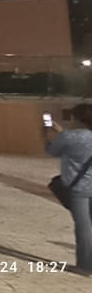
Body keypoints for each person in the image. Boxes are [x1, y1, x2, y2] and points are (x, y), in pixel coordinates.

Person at [44, 103, 92, 272]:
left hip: (78, 187)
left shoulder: (70, 137)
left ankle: (85, 266)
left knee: (83, 225)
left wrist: (49, 137)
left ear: (75, 118)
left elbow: (52, 151)